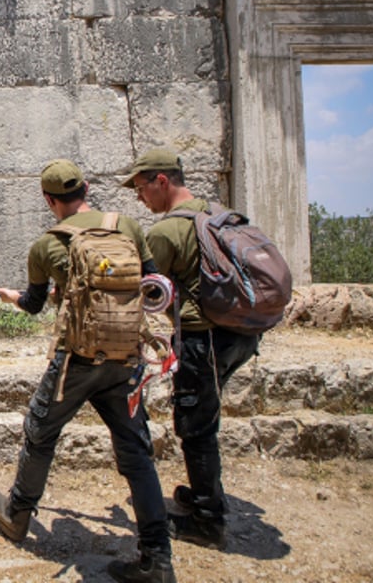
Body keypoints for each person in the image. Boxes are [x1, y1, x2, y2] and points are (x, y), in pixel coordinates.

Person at [0, 159, 175, 583]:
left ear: (49, 200)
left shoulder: (47, 245)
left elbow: (32, 305)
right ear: (86, 187)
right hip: (126, 356)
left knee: (40, 431)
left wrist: (13, 296)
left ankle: (16, 513)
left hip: (77, 360)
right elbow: (154, 283)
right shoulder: (128, 226)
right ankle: (158, 557)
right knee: (136, 451)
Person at [122, 147, 260, 552]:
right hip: (242, 334)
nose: (139, 197)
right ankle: (203, 495)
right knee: (206, 415)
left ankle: (206, 518)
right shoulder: (215, 213)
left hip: (203, 338)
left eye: (141, 187)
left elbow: (138, 288)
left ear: (161, 181)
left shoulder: (166, 232)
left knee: (196, 425)